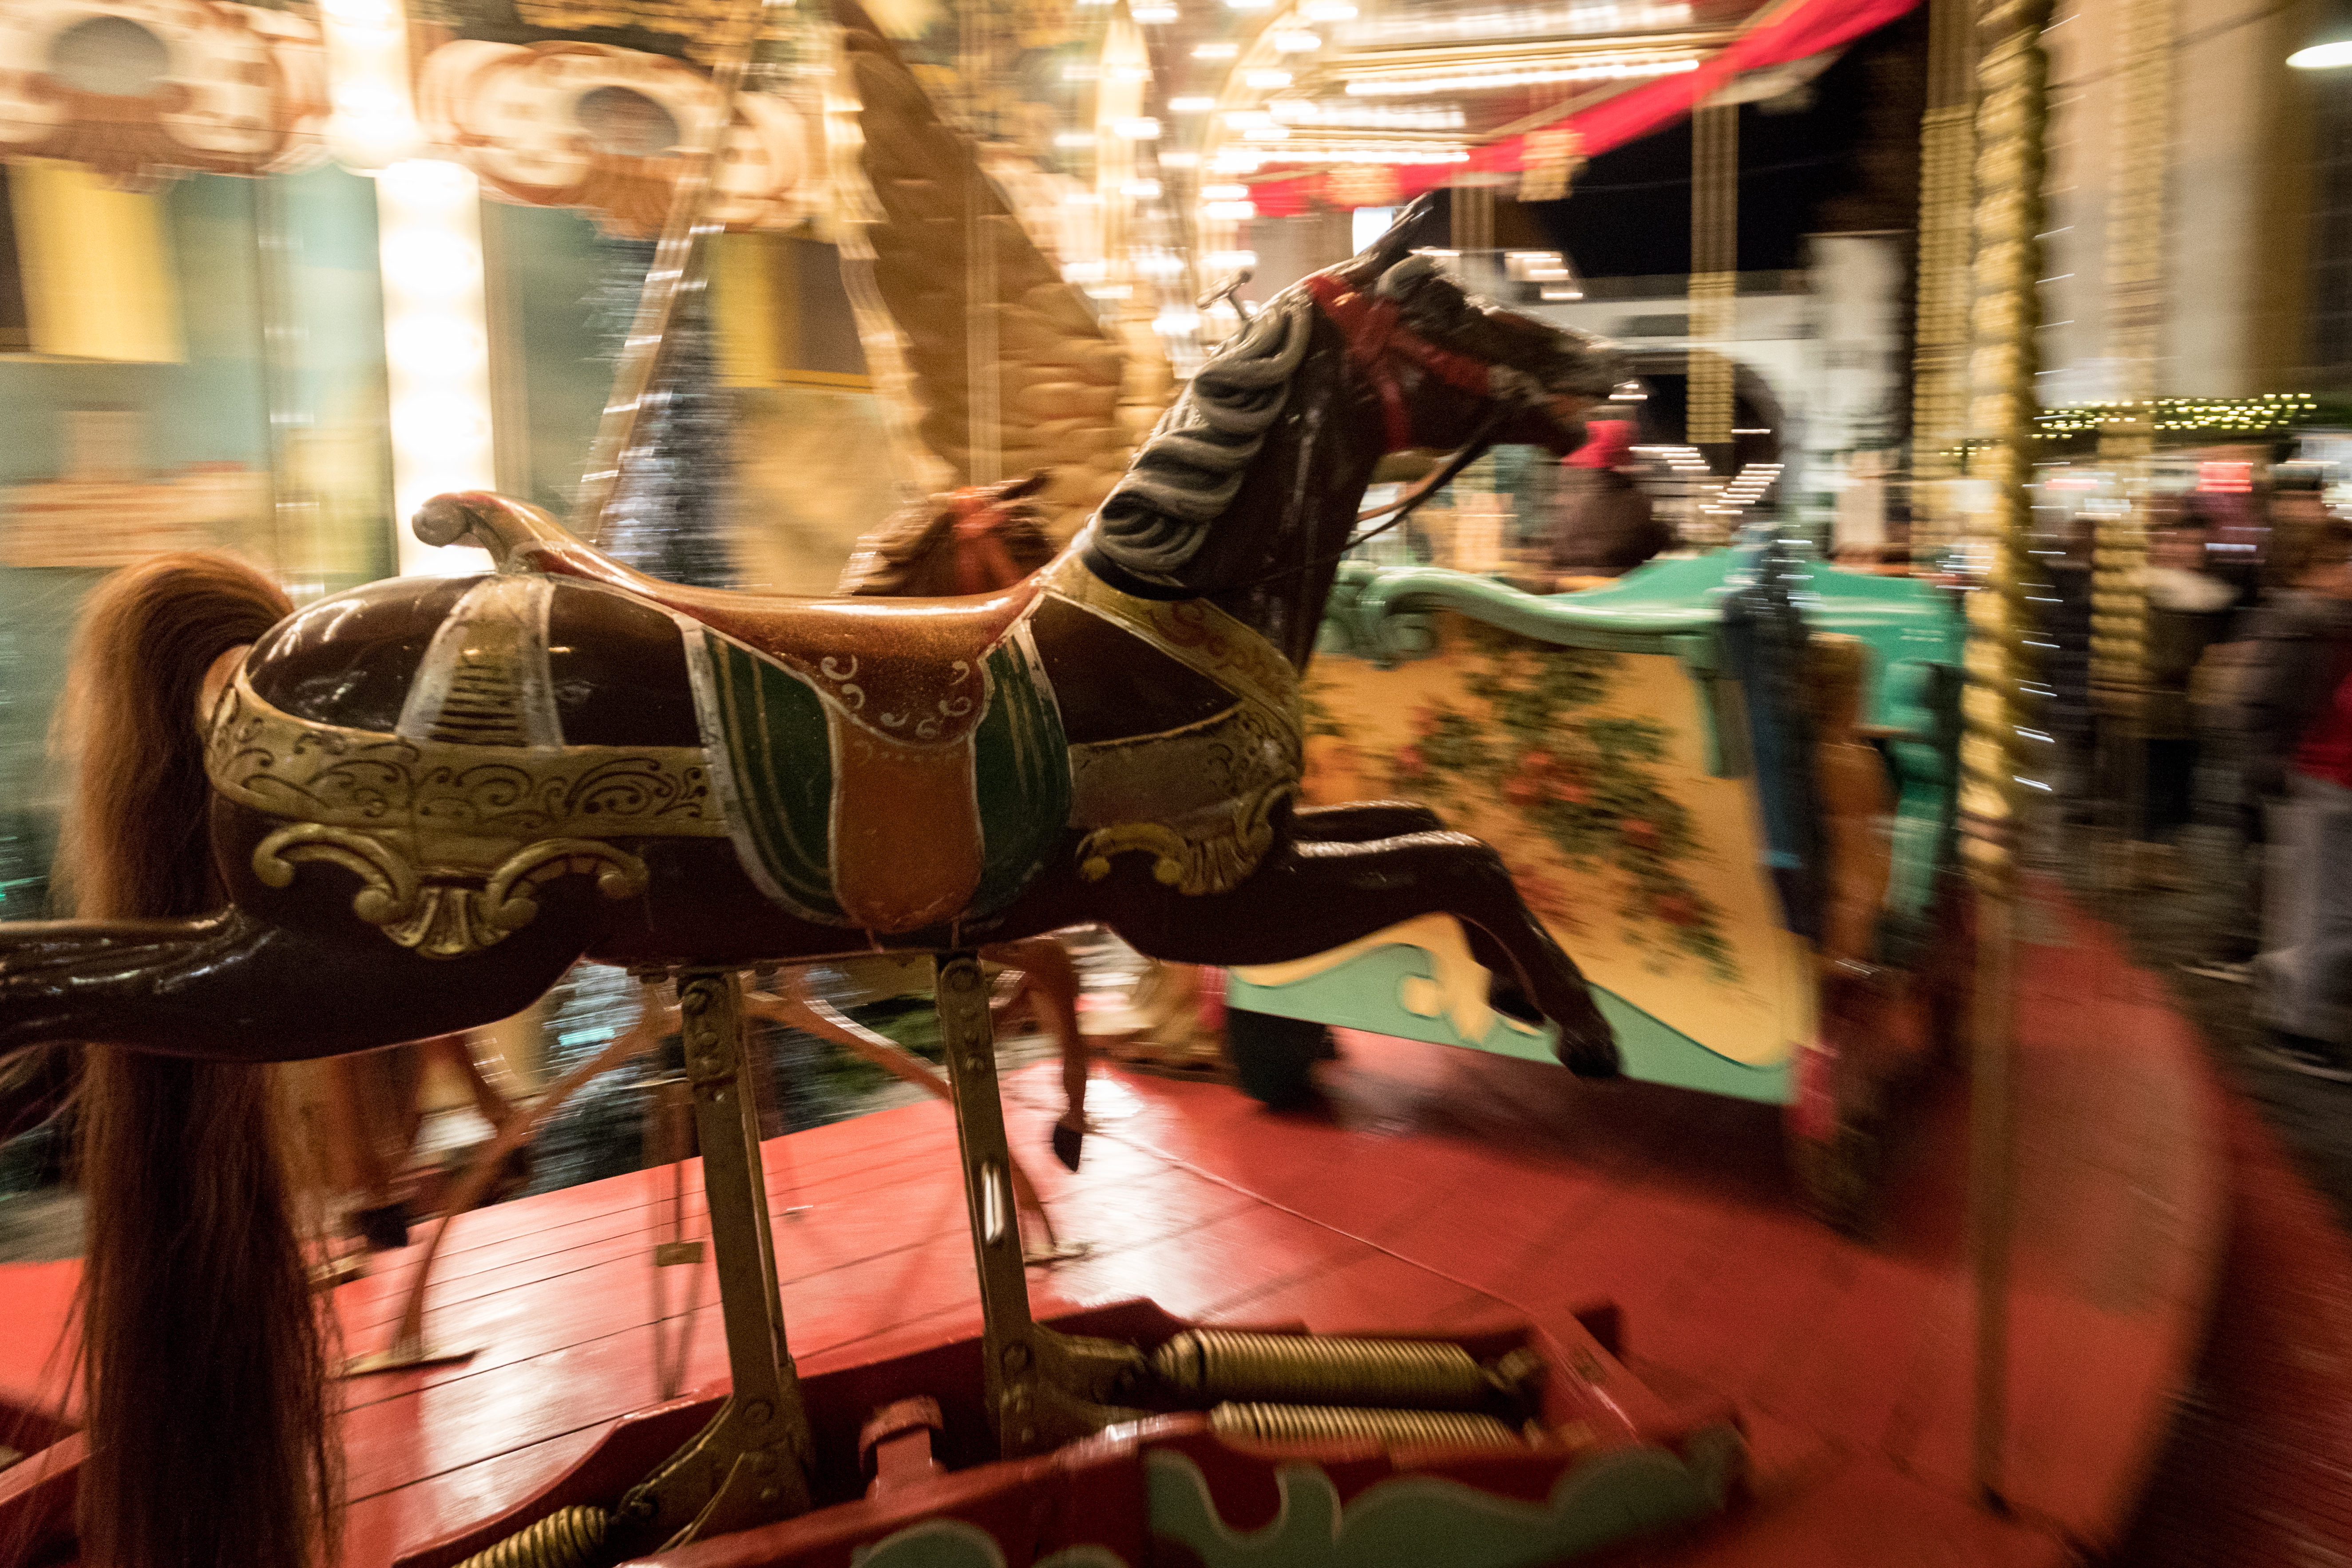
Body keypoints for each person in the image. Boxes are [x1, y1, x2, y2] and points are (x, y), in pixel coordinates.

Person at [2232, 514, 2352, 1075]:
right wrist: (2273, 770)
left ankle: (2292, 1004)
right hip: (2317, 776)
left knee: (2319, 905)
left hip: (2328, 777)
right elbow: (2264, 703)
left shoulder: (2330, 624)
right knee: (2317, 907)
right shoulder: (2304, 624)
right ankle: (2294, 1022)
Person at [1544, 415, 1674, 578]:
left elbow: (1558, 547)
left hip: (1569, 580)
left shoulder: (1574, 495)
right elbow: (1648, 546)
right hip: (1615, 584)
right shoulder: (1635, 502)